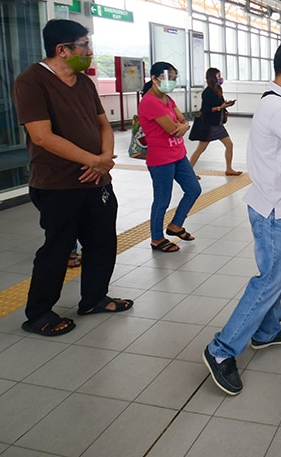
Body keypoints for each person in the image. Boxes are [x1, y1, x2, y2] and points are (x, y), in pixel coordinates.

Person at [203, 37, 281, 396]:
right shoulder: (280, 108)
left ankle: (267, 330)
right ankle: (221, 350)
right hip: (274, 209)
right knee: (269, 278)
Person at [12, 19, 132, 336]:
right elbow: (42, 136)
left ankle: (93, 298)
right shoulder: (31, 82)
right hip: (58, 184)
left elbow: (103, 125)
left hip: (97, 181)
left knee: (102, 241)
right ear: (62, 50)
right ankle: (38, 313)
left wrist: (104, 161)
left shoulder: (83, 83)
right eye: (83, 44)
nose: (89, 51)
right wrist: (93, 160)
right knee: (59, 248)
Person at [139, 61, 202, 253]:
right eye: (169, 78)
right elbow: (174, 128)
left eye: (174, 79)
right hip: (161, 159)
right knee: (162, 199)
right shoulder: (150, 102)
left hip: (178, 154)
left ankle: (175, 225)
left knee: (193, 189)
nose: (172, 82)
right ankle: (157, 238)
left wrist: (182, 125)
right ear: (154, 79)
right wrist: (182, 125)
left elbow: (183, 121)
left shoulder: (167, 99)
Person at [188, 67, 242, 177]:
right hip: (209, 126)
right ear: (212, 78)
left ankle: (229, 169)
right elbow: (205, 110)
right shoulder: (207, 92)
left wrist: (226, 105)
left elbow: (220, 104)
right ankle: (188, 172)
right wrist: (219, 107)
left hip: (218, 124)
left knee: (229, 145)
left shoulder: (218, 90)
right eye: (218, 76)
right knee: (200, 149)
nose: (220, 78)